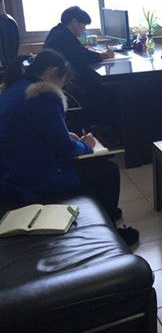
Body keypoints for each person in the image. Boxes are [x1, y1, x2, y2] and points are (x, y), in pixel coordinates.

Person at [0, 50, 138, 245]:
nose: (62, 87)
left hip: (10, 172)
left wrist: (66, 135)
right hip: (30, 180)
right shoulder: (42, 95)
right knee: (108, 170)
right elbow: (66, 149)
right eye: (62, 81)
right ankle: (113, 231)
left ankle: (108, 214)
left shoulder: (15, 88)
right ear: (52, 73)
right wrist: (86, 145)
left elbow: (36, 131)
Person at [44, 6, 117, 129]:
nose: (84, 29)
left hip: (59, 79)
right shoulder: (64, 36)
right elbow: (83, 56)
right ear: (74, 22)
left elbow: (78, 52)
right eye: (83, 25)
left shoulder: (58, 31)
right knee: (107, 88)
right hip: (65, 82)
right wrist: (104, 55)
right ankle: (107, 125)